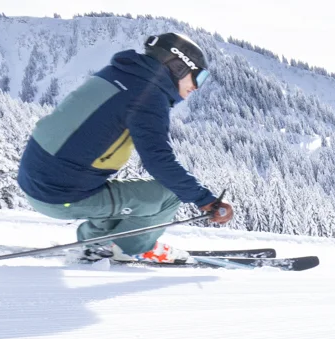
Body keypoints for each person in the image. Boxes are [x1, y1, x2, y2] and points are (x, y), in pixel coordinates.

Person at [15, 32, 234, 264]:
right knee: (169, 195)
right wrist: (205, 199)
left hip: (37, 182)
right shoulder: (148, 96)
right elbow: (159, 161)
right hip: (58, 196)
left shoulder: (118, 74)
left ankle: (96, 243)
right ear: (178, 67)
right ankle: (129, 248)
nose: (197, 87)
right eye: (198, 77)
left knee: (128, 196)